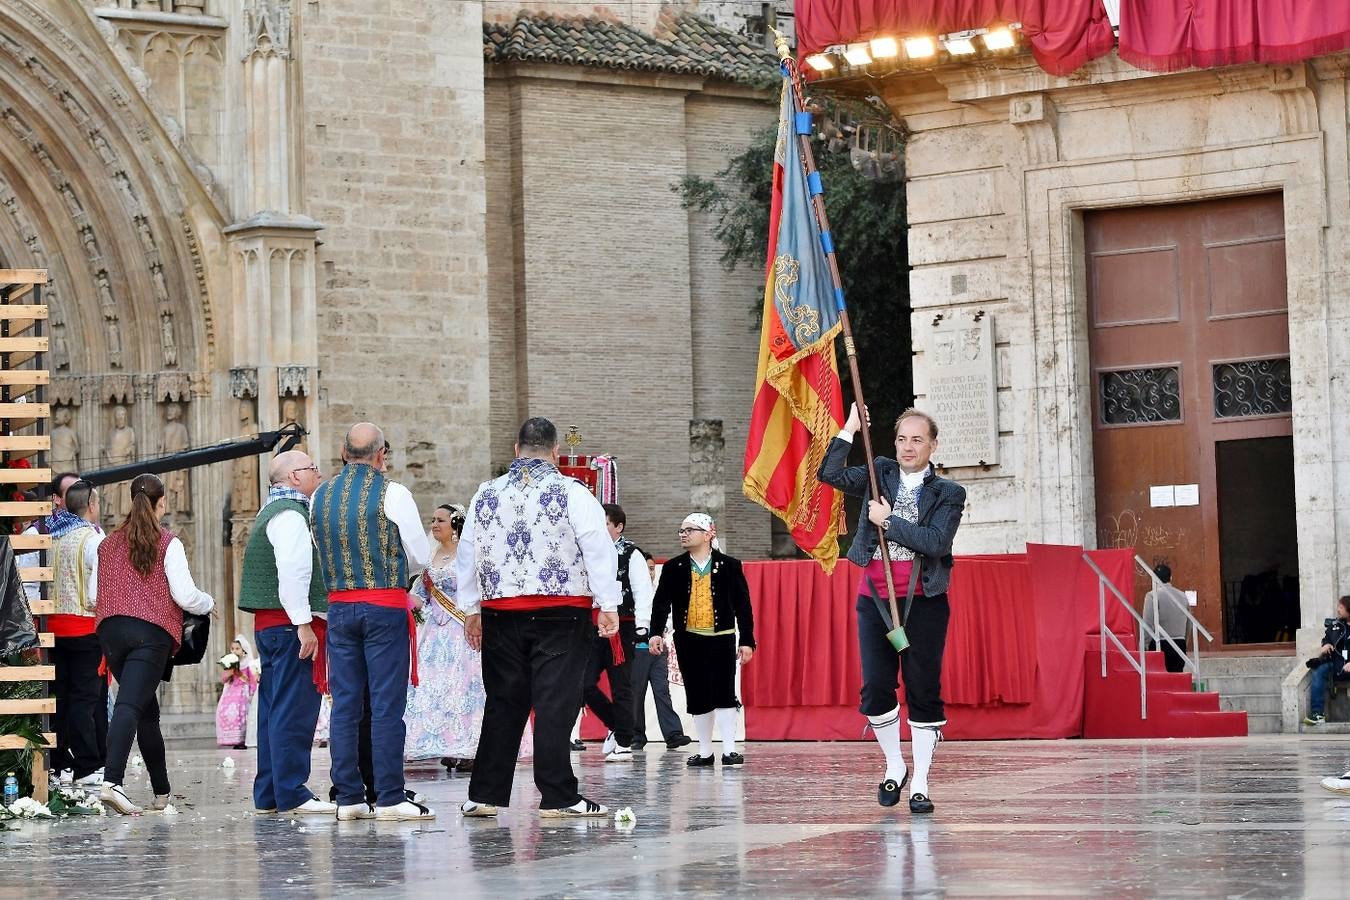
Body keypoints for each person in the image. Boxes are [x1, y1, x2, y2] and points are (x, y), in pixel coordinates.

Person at [456, 417, 620, 819]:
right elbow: (597, 548)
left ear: (516, 449)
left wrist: (470, 609)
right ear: (555, 452)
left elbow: (467, 552)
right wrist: (608, 603)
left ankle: (484, 795)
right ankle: (558, 795)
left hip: (500, 612)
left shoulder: (486, 493)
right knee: (555, 702)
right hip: (560, 611)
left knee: (503, 702)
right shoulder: (573, 492)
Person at [818, 404, 966, 814]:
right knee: (876, 686)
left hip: (924, 601)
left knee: (923, 689)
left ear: (932, 445)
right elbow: (828, 475)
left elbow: (936, 543)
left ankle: (920, 781)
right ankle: (894, 765)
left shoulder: (949, 493)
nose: (907, 446)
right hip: (875, 600)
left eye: (917, 439)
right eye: (902, 438)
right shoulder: (878, 470)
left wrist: (888, 521)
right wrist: (848, 429)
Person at [311, 423, 433, 821]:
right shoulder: (394, 493)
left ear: (344, 453)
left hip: (340, 609)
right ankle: (390, 796)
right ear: (381, 454)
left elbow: (320, 548)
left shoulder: (319, 497)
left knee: (346, 705)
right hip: (383, 606)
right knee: (385, 705)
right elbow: (419, 556)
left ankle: (348, 797)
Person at [95, 473, 214, 815]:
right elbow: (185, 595)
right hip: (150, 635)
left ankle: (161, 793)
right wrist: (208, 603)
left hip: (111, 632)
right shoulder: (168, 542)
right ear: (162, 503)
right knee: (130, 706)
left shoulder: (107, 544)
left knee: (146, 712)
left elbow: (93, 594)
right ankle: (112, 782)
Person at [239, 449, 335, 815]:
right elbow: (294, 572)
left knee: (273, 712)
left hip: (271, 625)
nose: (319, 473)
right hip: (289, 625)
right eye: (312, 468)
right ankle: (292, 792)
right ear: (295, 476)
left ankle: (270, 794)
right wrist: (304, 625)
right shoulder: (291, 517)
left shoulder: (270, 512)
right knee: (294, 711)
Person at [405, 504, 533, 769]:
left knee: (467, 686)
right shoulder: (430, 558)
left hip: (464, 629)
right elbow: (421, 595)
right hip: (434, 633)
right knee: (430, 686)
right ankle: (446, 744)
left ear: (455, 525)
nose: (434, 524)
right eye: (433, 519)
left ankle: (472, 748)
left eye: (440, 520)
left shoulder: (468, 555)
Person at [650, 513, 755, 770]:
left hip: (721, 637)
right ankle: (705, 750)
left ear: (709, 533)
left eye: (690, 530)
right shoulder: (674, 567)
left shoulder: (729, 565)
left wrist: (748, 640)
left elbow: (743, 606)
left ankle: (729, 749)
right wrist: (655, 632)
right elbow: (661, 602)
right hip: (688, 639)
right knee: (697, 693)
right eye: (681, 530)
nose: (683, 534)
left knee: (724, 692)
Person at [579, 504, 652, 761]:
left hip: (622, 625)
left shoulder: (631, 554)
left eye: (606, 524)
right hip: (592, 626)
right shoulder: (587, 552)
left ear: (618, 527)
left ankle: (623, 740)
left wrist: (643, 624)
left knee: (621, 684)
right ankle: (617, 725)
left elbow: (642, 589)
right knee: (583, 683)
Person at [47, 480, 105, 786]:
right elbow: (99, 591)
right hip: (84, 626)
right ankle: (87, 764)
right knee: (85, 698)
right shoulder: (92, 540)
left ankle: (58, 762)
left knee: (60, 697)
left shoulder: (53, 537)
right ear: (91, 506)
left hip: (55, 628)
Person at [631, 550, 690, 751]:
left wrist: (663, 630)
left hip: (659, 648)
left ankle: (673, 734)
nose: (649, 573)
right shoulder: (631, 592)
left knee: (662, 691)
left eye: (651, 569)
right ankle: (635, 735)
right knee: (635, 693)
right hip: (637, 648)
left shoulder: (660, 590)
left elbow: (671, 615)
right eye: (644, 569)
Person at [1304, 596, 1350, 726]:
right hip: (1336, 664)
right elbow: (1327, 639)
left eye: (1341, 607)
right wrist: (1326, 645)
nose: (1338, 610)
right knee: (1319, 671)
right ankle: (1317, 714)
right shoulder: (1335, 625)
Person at [1142, 564, 1190, 673]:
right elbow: (1189, 623)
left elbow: (1147, 623)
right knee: (1177, 680)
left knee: (1160, 681)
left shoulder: (1152, 595)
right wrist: (1184, 640)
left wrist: (1145, 644)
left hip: (1160, 644)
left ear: (1154, 578)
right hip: (1180, 643)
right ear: (1171, 577)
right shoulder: (1182, 596)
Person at [216, 637, 258, 749]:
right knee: (226, 711)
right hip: (230, 691)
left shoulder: (248, 665)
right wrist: (229, 672)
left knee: (242, 713)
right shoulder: (230, 665)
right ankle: (232, 738)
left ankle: (242, 739)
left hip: (242, 693)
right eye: (232, 648)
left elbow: (252, 680)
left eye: (237, 649)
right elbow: (224, 679)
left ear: (244, 650)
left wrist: (251, 693)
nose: (234, 651)